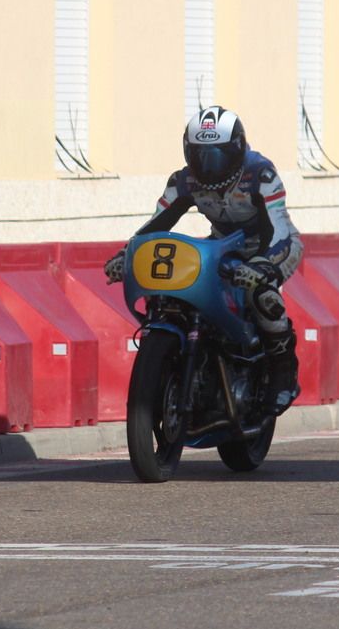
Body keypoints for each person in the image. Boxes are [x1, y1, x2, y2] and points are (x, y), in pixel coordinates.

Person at [105, 105, 303, 416]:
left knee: (262, 295)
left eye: (217, 155)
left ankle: (283, 373)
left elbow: (277, 229)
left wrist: (264, 265)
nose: (208, 166)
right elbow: (157, 224)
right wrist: (127, 254)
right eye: (200, 155)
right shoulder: (183, 181)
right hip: (224, 245)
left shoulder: (260, 174)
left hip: (274, 245)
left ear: (237, 149)